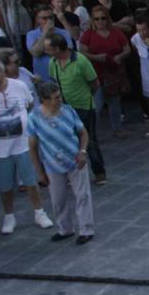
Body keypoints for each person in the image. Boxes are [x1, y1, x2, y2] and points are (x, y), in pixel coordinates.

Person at [0, 58, 52, 234]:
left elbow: (30, 105)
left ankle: (40, 212)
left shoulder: (19, 86)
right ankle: (9, 216)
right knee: (5, 185)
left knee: (31, 181)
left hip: (22, 145)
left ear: (3, 72)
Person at [28, 79, 94, 245]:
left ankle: (86, 229)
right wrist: (40, 171)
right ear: (44, 99)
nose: (59, 100)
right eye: (55, 97)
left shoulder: (68, 111)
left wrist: (83, 151)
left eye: (59, 96)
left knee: (83, 196)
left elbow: (83, 133)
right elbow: (33, 146)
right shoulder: (34, 117)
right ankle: (65, 228)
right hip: (52, 165)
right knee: (58, 199)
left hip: (75, 161)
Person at [44, 32, 105, 185]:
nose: (46, 52)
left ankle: (99, 173)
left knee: (89, 140)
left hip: (84, 106)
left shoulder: (80, 61)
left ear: (58, 48)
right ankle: (74, 173)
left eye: (49, 49)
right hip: (65, 108)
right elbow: (54, 82)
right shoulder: (53, 62)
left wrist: (87, 97)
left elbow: (94, 83)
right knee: (68, 141)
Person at [79, 5, 132, 137]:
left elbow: (127, 49)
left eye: (103, 18)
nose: (100, 21)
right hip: (95, 74)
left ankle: (117, 129)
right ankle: (91, 134)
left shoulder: (116, 32)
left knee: (115, 103)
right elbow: (82, 52)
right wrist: (95, 57)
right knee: (97, 104)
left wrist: (120, 56)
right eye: (97, 19)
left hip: (113, 72)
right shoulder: (88, 34)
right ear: (93, 20)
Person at [27, 5, 73, 78]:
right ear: (38, 20)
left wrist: (45, 50)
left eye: (51, 17)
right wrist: (45, 32)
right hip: (42, 79)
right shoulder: (31, 34)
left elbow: (68, 52)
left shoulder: (64, 33)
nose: (49, 21)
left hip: (63, 76)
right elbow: (35, 53)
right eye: (44, 18)